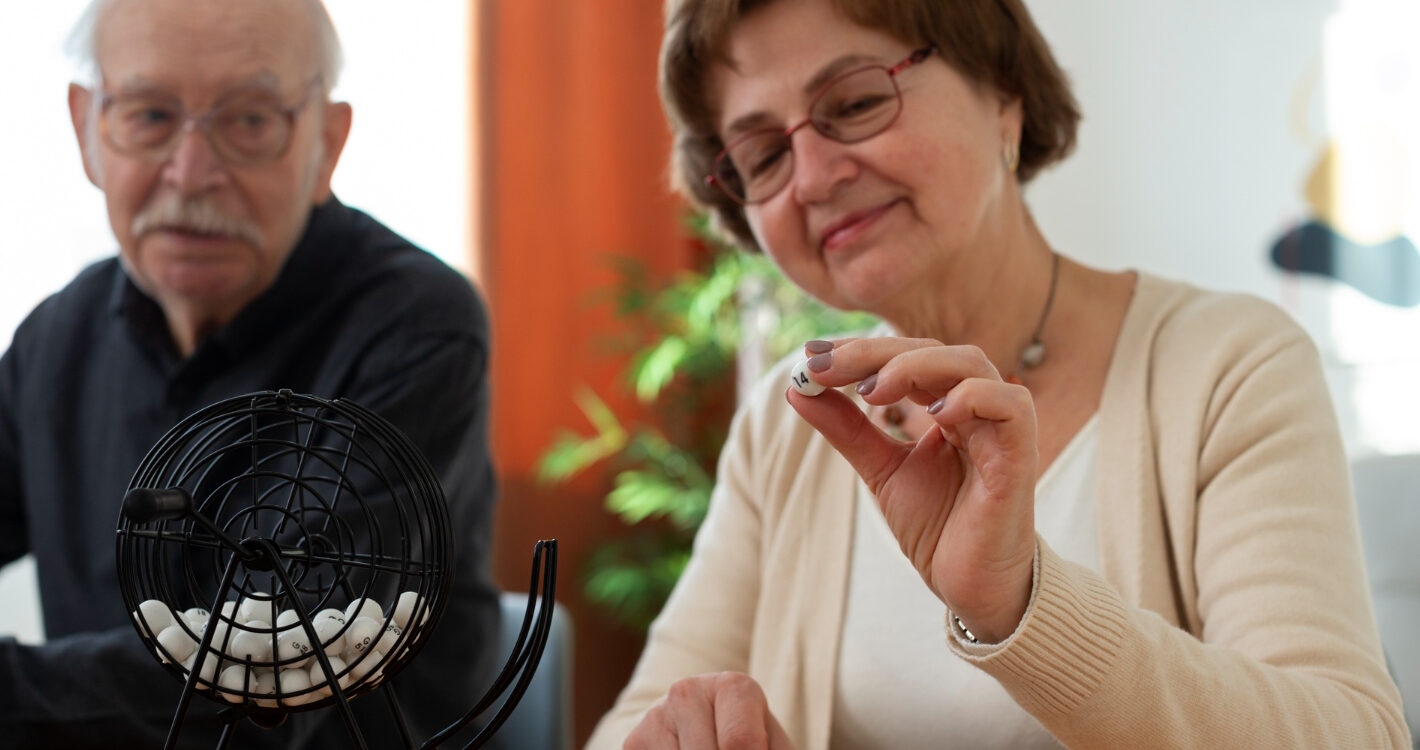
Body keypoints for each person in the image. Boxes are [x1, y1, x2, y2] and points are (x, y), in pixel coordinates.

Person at [586, 0, 1411, 747]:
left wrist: (1024, 603)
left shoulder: (1226, 364)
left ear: (1004, 94)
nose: (811, 178)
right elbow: (638, 719)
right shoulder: (786, 424)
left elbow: (1351, 734)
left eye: (857, 102)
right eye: (763, 154)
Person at [0, 0, 498, 746]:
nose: (191, 174)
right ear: (88, 132)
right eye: (151, 115)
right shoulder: (63, 333)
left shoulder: (415, 329)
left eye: (250, 121)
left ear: (327, 141)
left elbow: (256, 683)